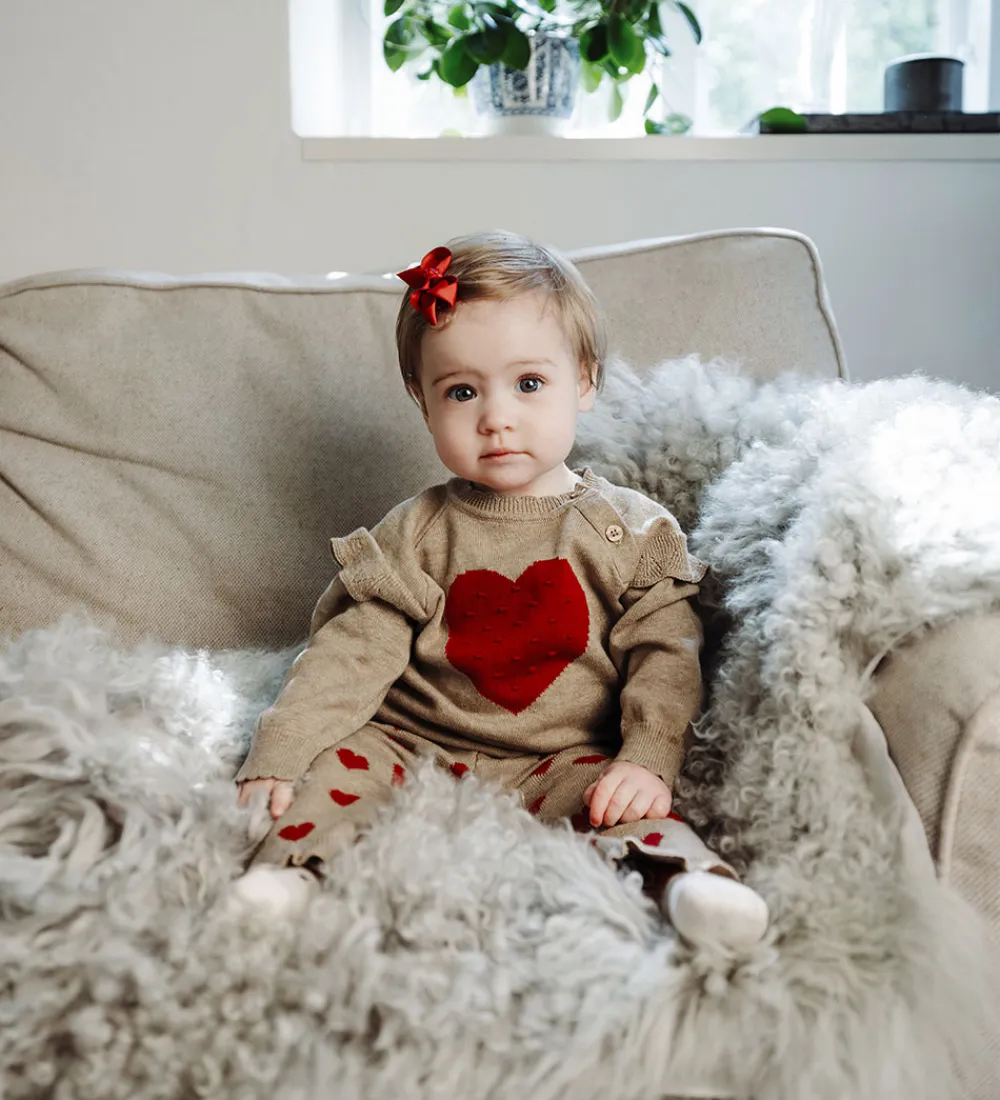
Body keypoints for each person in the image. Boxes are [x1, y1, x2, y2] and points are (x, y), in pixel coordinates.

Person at [230, 230, 769, 952]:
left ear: (585, 381)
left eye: (529, 384)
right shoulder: (416, 534)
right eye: (462, 391)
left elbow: (666, 659)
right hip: (413, 744)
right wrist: (281, 751)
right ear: (423, 402)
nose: (496, 417)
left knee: (621, 804)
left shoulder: (629, 532)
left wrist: (647, 755)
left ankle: (691, 886)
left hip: (562, 755)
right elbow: (348, 657)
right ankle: (289, 878)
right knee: (340, 770)